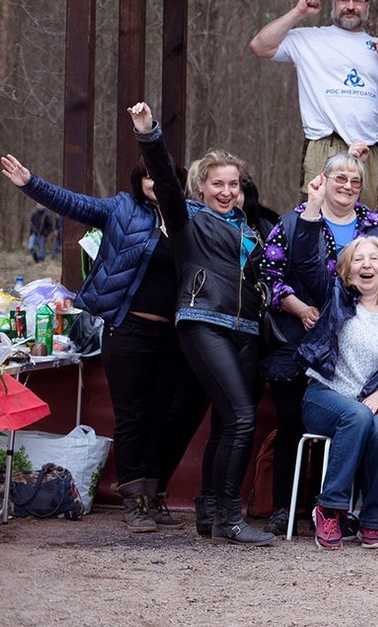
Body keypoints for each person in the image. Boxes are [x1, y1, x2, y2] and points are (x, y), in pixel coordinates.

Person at [3, 153, 205, 533]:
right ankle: (134, 501)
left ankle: (153, 493)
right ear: (138, 181)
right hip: (128, 331)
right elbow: (74, 203)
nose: (154, 183)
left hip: (173, 334)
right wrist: (31, 182)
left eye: (161, 177)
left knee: (160, 417)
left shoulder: (190, 216)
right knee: (132, 418)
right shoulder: (123, 209)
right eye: (146, 177)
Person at [129, 101, 273, 545]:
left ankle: (209, 513)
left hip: (247, 330)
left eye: (233, 184)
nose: (226, 191)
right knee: (244, 418)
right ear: (202, 186)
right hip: (203, 320)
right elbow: (167, 184)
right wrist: (149, 131)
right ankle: (230, 518)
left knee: (229, 422)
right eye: (217, 184)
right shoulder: (188, 216)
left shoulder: (252, 229)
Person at [258, 152, 378, 536]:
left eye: (354, 181)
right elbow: (278, 272)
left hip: (366, 343)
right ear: (321, 179)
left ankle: (363, 516)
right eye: (338, 178)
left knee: (372, 423)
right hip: (301, 344)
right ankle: (300, 508)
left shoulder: (377, 229)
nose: (346, 186)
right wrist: (298, 307)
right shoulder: (296, 224)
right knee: (295, 424)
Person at [298, 236, 378, 550]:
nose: (367, 264)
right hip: (324, 397)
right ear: (347, 273)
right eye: (358, 259)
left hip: (369, 404)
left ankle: (374, 520)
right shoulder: (335, 299)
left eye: (373, 258)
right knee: (357, 415)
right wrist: (313, 206)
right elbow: (309, 264)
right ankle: (331, 508)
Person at [248, 0, 378, 195]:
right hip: (324, 145)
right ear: (333, 3)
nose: (351, 6)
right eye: (344, 0)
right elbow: (259, 46)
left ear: (367, 5)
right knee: (317, 218)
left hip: (369, 147)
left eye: (358, 1)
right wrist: (298, 12)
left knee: (370, 222)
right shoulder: (310, 38)